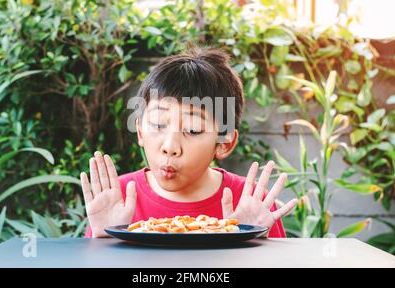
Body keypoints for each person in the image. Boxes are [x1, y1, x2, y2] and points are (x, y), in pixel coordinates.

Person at [81, 46, 298, 238]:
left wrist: (248, 240)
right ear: (139, 131)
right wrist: (103, 242)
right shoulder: (117, 198)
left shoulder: (251, 204)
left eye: (193, 129)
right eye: (157, 124)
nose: (170, 147)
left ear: (224, 143)